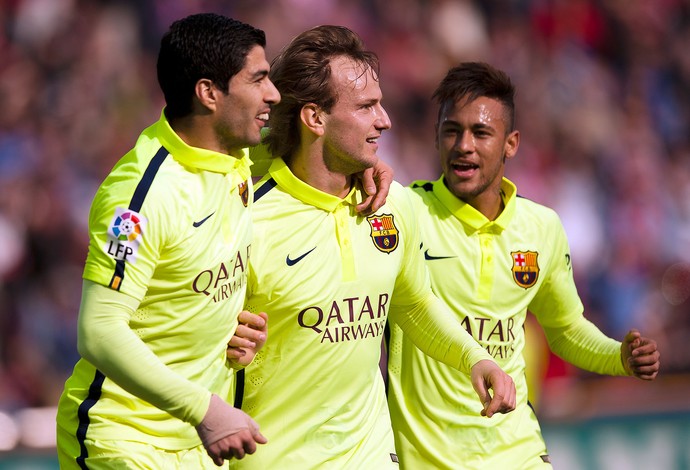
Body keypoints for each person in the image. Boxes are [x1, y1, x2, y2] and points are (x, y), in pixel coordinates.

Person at [226, 26, 516, 470]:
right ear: (314, 119)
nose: (385, 120)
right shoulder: (246, 216)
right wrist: (222, 342)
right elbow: (197, 334)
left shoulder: (391, 203)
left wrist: (476, 358)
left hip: (372, 456)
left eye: (380, 103)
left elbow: (414, 304)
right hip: (275, 459)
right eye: (366, 107)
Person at [386, 61, 662, 469]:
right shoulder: (404, 211)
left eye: (481, 132)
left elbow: (565, 330)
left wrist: (617, 358)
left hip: (519, 453)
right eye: (451, 131)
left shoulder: (541, 227)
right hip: (430, 459)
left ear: (511, 143)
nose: (464, 145)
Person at [55, 13, 280, 469]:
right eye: (258, 79)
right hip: (122, 439)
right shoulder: (138, 198)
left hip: (196, 444)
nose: (272, 94)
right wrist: (205, 408)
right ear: (209, 93)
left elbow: (318, 147)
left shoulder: (234, 152)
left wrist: (368, 169)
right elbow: (99, 332)